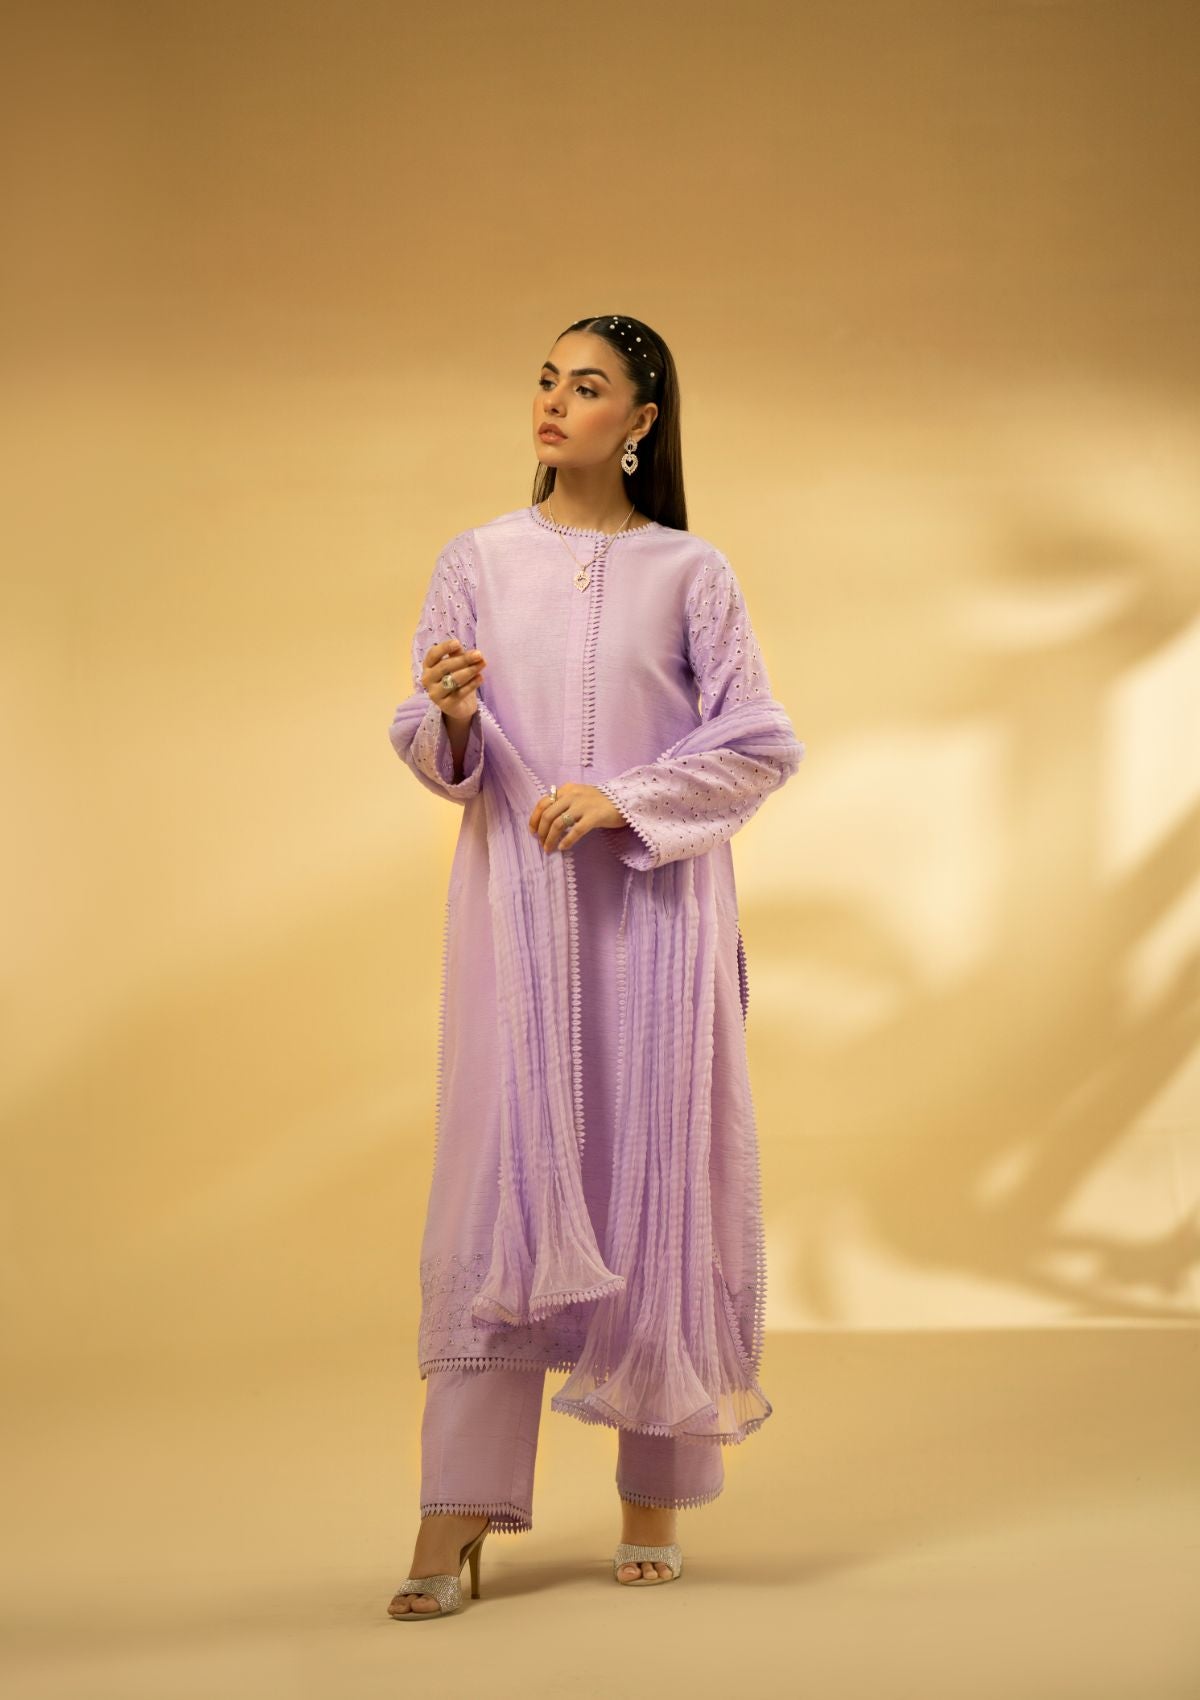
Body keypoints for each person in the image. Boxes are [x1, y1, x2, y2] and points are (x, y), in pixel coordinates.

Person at [386, 314, 805, 1617]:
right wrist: (455, 715)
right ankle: (456, 1510)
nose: (555, 402)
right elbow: (434, 745)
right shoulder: (476, 561)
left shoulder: (692, 572)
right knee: (503, 1180)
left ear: (642, 421)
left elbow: (757, 743)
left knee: (658, 1168)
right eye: (545, 380)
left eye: (587, 385)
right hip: (518, 924)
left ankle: (653, 1496)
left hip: (657, 922)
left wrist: (621, 798)